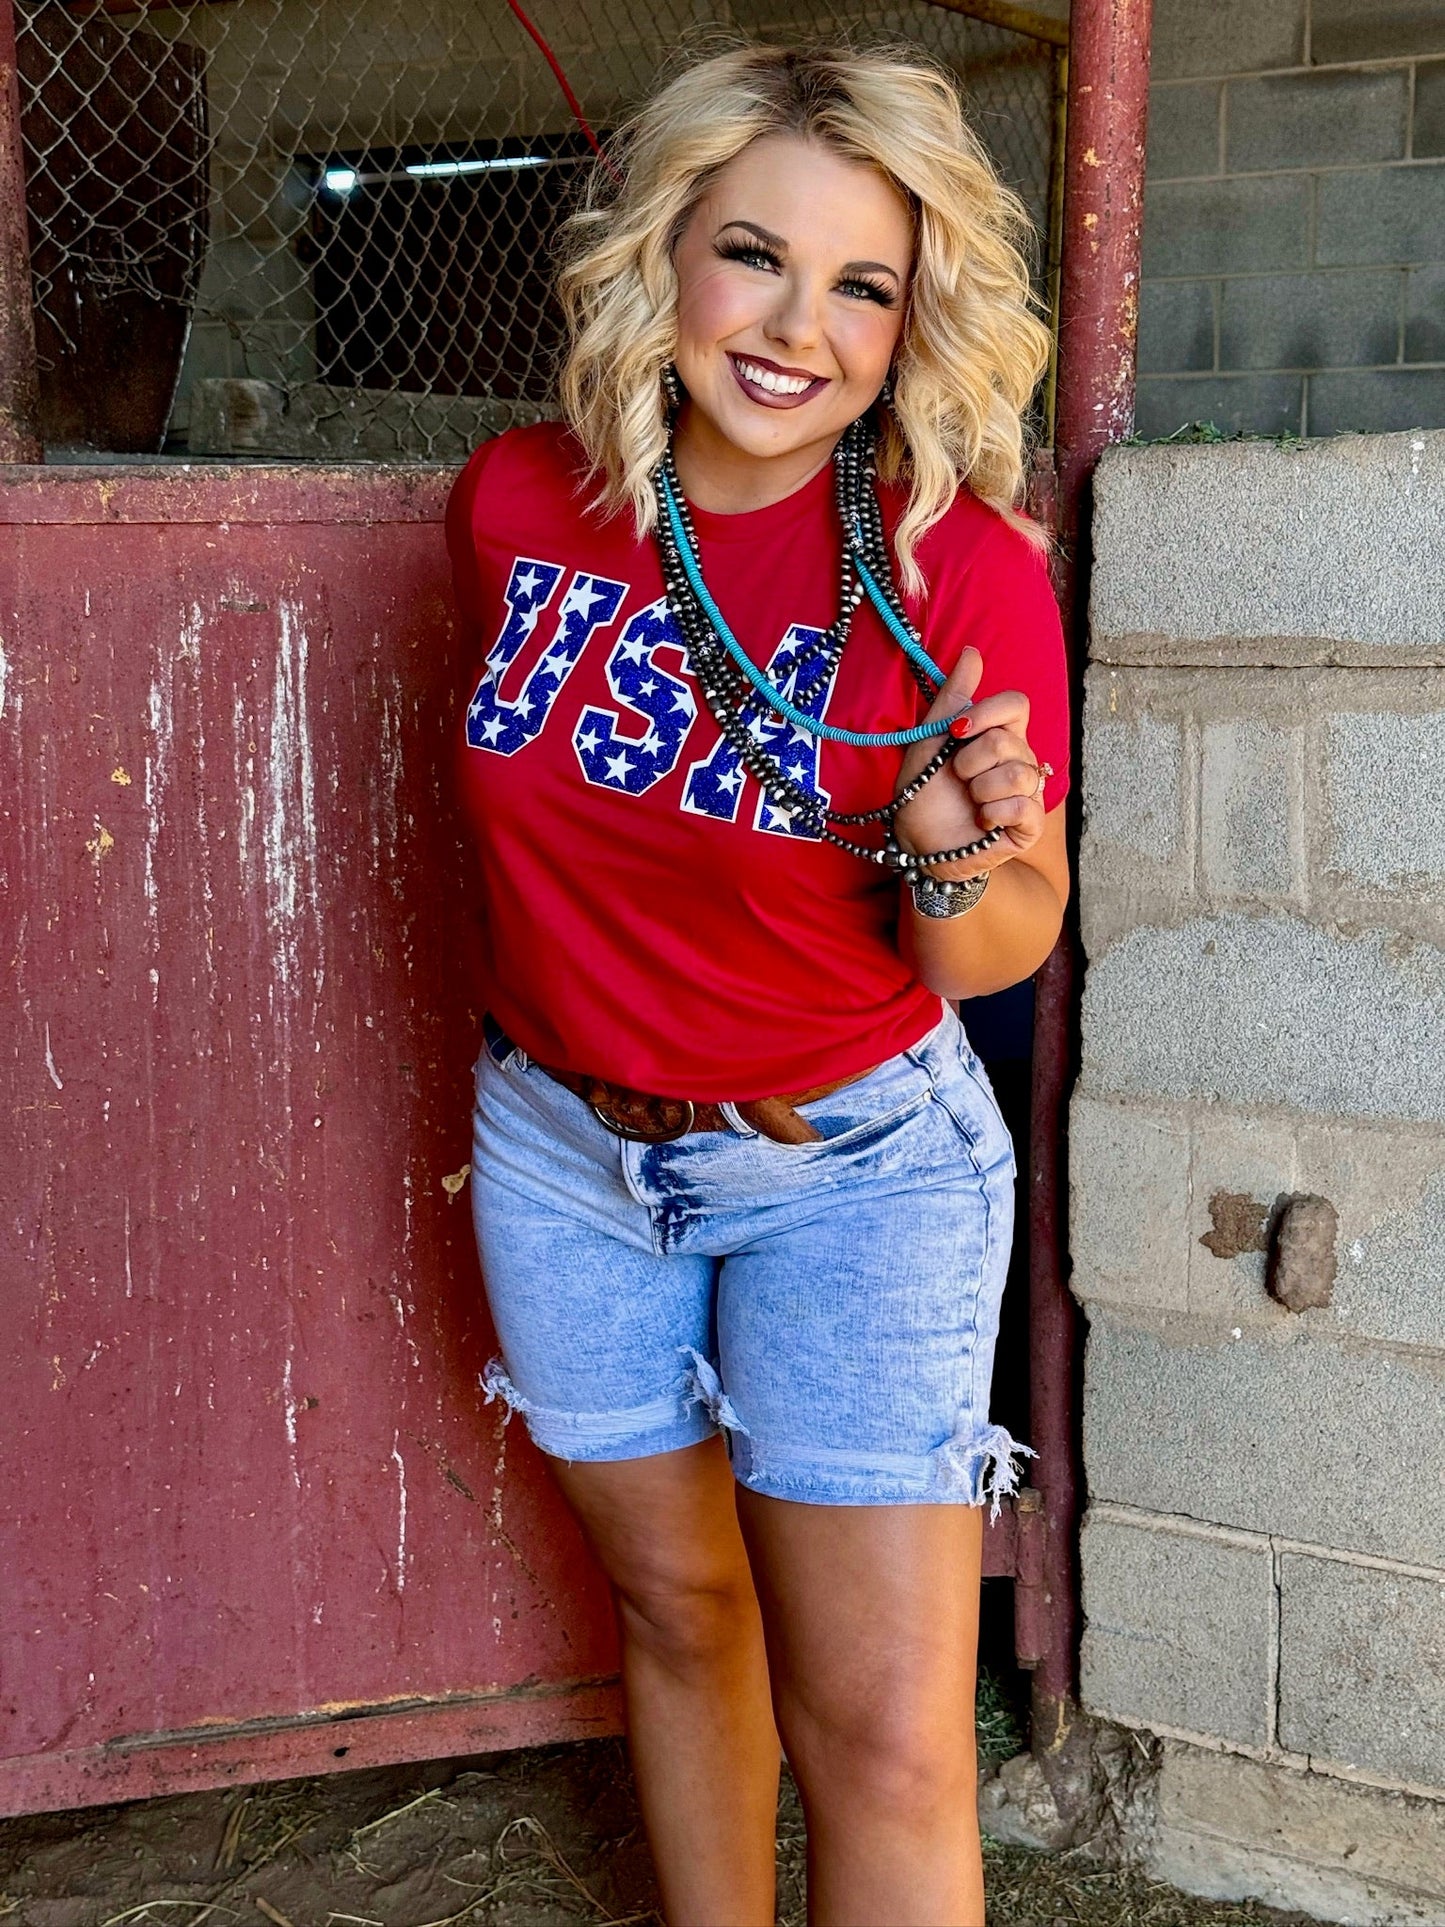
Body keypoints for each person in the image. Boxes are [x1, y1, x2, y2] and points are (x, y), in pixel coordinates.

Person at [446, 41, 1069, 1927]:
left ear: (911, 315)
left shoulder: (950, 568)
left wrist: (958, 835)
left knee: (880, 1738)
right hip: (565, 1152)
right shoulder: (507, 508)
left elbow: (992, 949)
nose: (799, 326)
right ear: (663, 261)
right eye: (754, 257)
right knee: (674, 1606)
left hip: (855, 1166)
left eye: (861, 284)